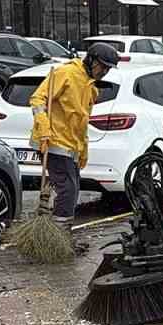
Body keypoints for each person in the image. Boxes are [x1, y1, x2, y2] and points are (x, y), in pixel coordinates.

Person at [30, 42, 120, 240]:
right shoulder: (67, 73)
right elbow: (38, 99)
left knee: (72, 189)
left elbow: (80, 122)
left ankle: (59, 235)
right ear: (91, 60)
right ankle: (58, 239)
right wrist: (44, 129)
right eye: (102, 66)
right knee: (68, 190)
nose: (104, 71)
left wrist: (83, 149)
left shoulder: (89, 86)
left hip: (70, 146)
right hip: (53, 142)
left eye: (107, 68)